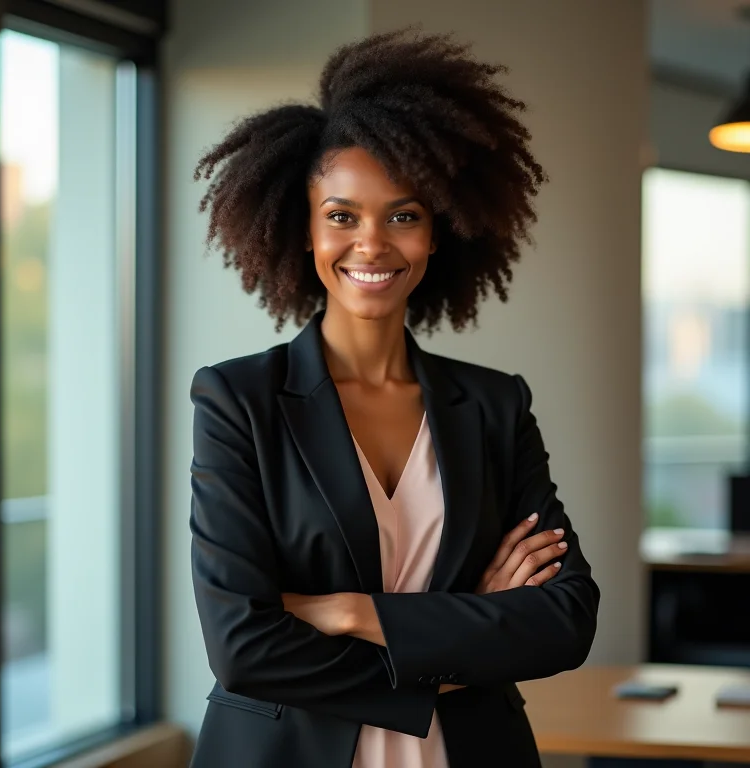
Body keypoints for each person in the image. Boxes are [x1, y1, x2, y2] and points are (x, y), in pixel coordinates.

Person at [187, 26, 600, 768]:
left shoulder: (496, 405)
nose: (372, 244)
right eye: (342, 216)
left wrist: (353, 612)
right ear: (305, 229)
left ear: (438, 233)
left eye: (403, 216)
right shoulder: (237, 400)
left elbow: (565, 619)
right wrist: (461, 637)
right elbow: (243, 647)